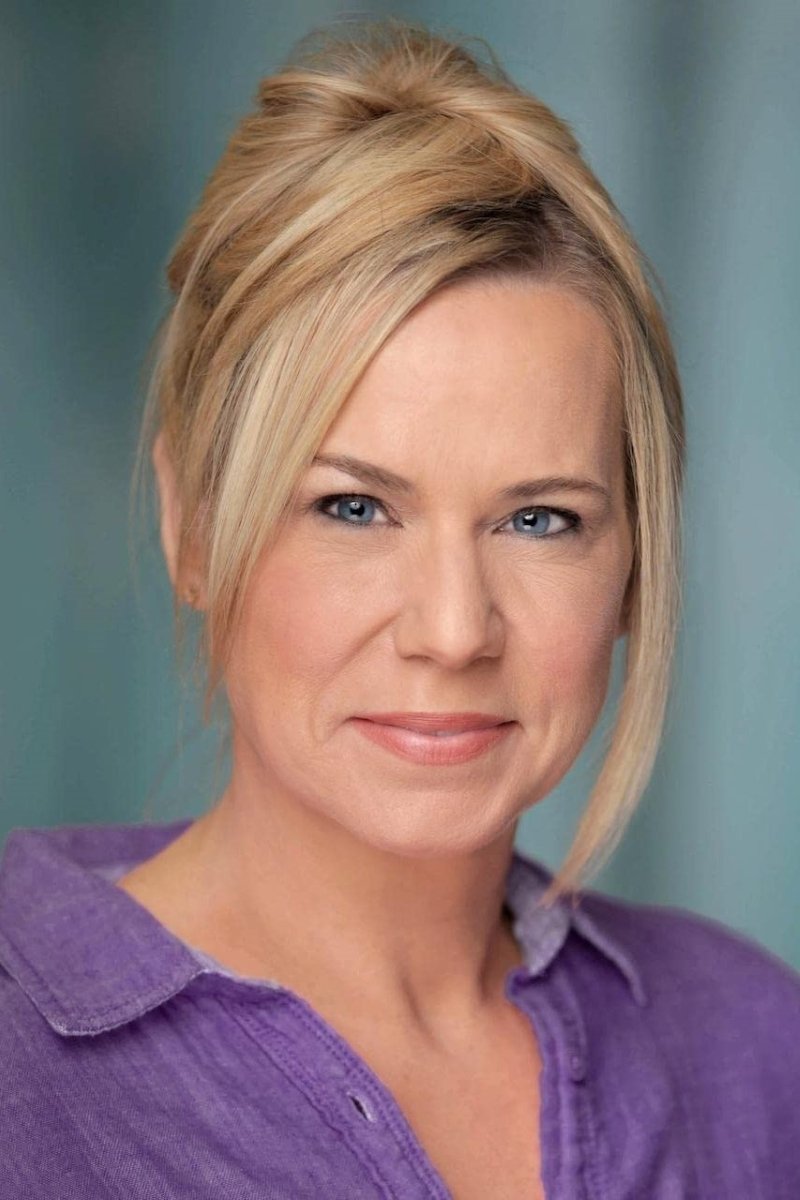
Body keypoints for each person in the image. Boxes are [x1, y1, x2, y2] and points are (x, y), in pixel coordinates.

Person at [1, 16, 798, 1199]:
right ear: (194, 527)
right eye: (354, 508)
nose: (452, 630)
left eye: (539, 520)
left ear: (633, 561)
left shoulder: (756, 1049)